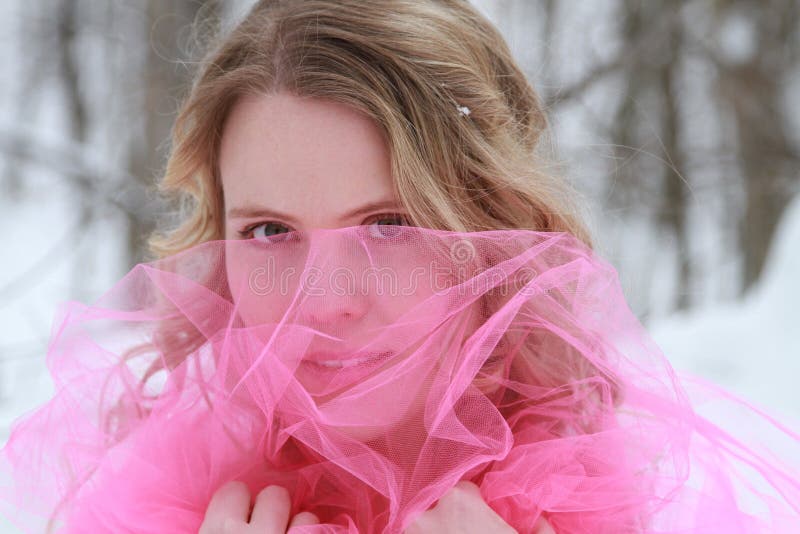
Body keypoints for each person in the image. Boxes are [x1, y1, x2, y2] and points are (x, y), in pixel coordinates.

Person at [2, 1, 799, 533]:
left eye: (387, 224)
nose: (324, 303)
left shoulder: (621, 501)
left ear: (492, 227)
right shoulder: (166, 500)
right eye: (270, 230)